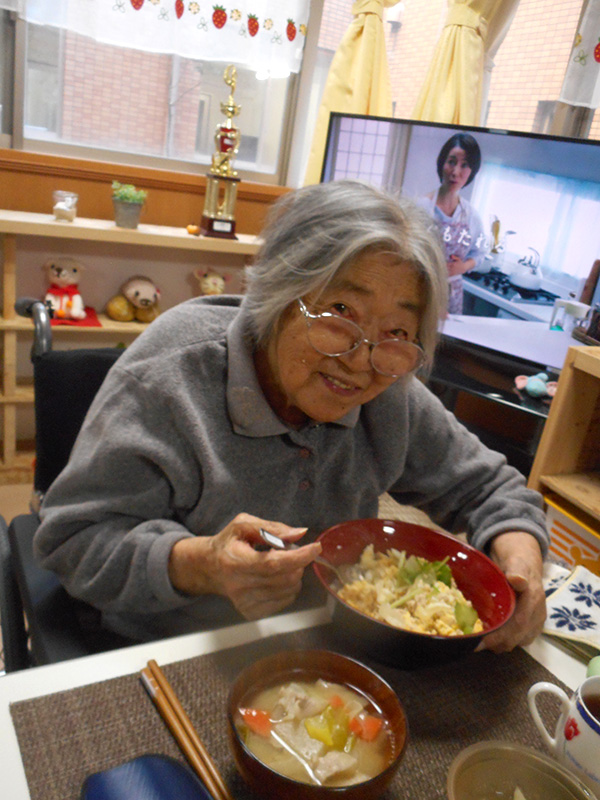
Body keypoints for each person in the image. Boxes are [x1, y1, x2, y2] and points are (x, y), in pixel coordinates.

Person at [34, 180, 547, 652]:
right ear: (277, 294)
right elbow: (72, 541)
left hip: (317, 644)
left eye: (397, 332)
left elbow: (490, 489)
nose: (360, 362)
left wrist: (522, 565)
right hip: (165, 651)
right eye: (340, 312)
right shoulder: (170, 380)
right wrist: (202, 565)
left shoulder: (390, 391)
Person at [418, 133, 487, 313]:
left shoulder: (471, 216)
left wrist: (463, 266)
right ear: (442, 163)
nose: (455, 172)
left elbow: (480, 252)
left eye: (464, 165)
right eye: (451, 162)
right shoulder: (421, 207)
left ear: (471, 172)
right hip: (420, 290)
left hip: (452, 297)